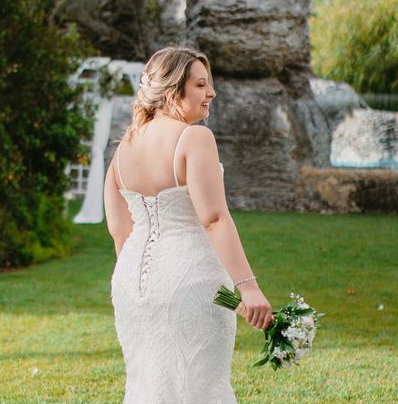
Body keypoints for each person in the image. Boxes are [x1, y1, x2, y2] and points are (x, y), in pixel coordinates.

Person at [104, 46, 273, 403]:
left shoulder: (124, 148)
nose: (211, 93)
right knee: (200, 389)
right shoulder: (194, 138)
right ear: (171, 93)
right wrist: (249, 288)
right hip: (192, 283)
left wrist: (139, 286)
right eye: (200, 85)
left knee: (147, 388)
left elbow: (120, 231)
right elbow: (213, 219)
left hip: (132, 287)